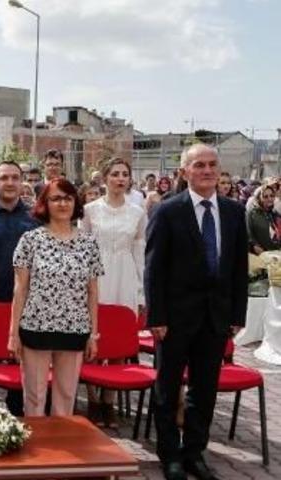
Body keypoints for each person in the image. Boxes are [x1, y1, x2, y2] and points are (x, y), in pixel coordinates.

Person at [145, 144, 248, 480]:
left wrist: (238, 315)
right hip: (174, 320)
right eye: (199, 165)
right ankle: (170, 456)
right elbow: (154, 269)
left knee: (204, 391)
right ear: (184, 170)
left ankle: (194, 454)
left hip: (215, 318)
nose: (207, 170)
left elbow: (238, 267)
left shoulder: (233, 212)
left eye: (212, 165)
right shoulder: (168, 211)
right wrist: (156, 317)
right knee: (167, 388)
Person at [9, 178, 102, 417]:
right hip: (35, 328)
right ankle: (36, 451)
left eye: (68, 198)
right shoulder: (31, 240)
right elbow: (20, 290)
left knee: (66, 397)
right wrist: (13, 334)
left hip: (74, 329)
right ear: (45, 204)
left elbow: (92, 292)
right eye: (56, 198)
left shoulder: (89, 243)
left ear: (75, 202)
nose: (63, 203)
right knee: (34, 396)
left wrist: (93, 334)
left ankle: (63, 451)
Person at [80, 158, 147, 427]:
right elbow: (82, 248)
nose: (120, 179)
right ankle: (93, 399)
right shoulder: (89, 210)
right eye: (115, 174)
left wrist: (141, 291)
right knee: (93, 335)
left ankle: (109, 400)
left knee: (119, 337)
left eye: (125, 174)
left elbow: (139, 251)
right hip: (96, 277)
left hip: (126, 275)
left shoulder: (138, 213)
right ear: (105, 178)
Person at [0, 161, 39, 416]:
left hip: (24, 303)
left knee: (18, 366)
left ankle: (17, 417)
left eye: (15, 178)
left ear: (22, 182)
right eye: (4, 178)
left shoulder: (34, 218)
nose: (10, 183)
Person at [246, 184, 281, 254]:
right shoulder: (252, 214)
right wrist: (254, 246)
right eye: (265, 197)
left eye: (272, 196)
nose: (269, 199)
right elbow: (248, 234)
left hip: (276, 255)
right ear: (259, 198)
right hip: (260, 256)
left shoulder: (276, 214)